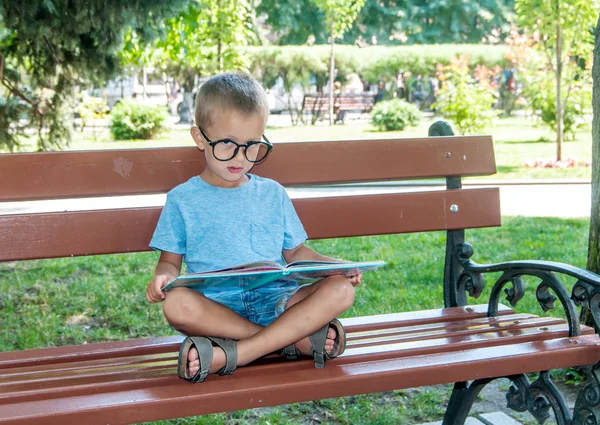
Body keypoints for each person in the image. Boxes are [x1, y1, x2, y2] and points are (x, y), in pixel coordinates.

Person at [145, 72, 361, 383]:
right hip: (217, 310)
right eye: (227, 145)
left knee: (340, 290)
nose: (240, 157)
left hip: (278, 302)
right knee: (178, 305)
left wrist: (336, 266)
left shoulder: (272, 193)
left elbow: (297, 253)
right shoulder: (182, 200)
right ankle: (287, 340)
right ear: (199, 138)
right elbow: (169, 262)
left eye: (251, 146)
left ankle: (240, 353)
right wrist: (163, 277)